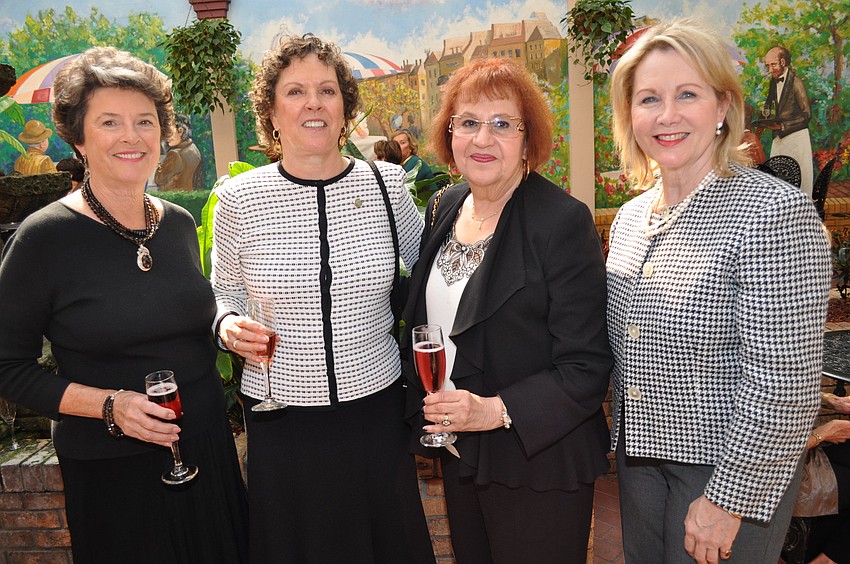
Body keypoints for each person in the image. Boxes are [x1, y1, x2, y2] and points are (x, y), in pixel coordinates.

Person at [0, 46, 248, 563]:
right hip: (111, 468)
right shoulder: (42, 239)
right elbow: (9, 367)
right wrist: (110, 406)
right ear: (79, 138)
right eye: (110, 122)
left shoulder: (178, 224)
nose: (132, 136)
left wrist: (227, 325)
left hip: (206, 451)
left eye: (145, 121)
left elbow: (189, 322)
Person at [607, 19, 832, 564]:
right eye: (648, 99)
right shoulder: (632, 217)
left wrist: (729, 500)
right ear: (629, 114)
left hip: (726, 472)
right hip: (639, 464)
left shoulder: (774, 213)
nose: (667, 115)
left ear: (723, 107)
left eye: (688, 94)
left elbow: (784, 383)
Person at [210, 34, 434, 564]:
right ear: (270, 110)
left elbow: (433, 275)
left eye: (327, 90)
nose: (313, 103)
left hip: (375, 413)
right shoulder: (240, 199)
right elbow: (224, 292)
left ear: (344, 106)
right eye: (295, 91)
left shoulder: (386, 184)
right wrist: (227, 325)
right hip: (283, 419)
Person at [403, 57, 612, 563]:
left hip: (535, 461)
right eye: (468, 122)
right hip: (461, 453)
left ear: (527, 138)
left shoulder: (561, 221)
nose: (482, 138)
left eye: (502, 124)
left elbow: (586, 367)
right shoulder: (447, 205)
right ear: (449, 134)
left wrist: (492, 412)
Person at [760, 46, 814, 195]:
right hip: (778, 138)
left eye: (773, 65)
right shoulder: (773, 82)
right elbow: (770, 105)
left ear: (783, 62)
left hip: (797, 138)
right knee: (777, 178)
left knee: (800, 179)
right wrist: (765, 117)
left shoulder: (796, 82)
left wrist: (784, 125)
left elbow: (806, 114)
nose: (770, 70)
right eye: (768, 66)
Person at [154, 113, 202, 191]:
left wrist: (158, 162)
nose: (166, 137)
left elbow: (158, 179)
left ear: (180, 131)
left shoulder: (175, 155)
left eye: (169, 132)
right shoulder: (194, 149)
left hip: (172, 198)